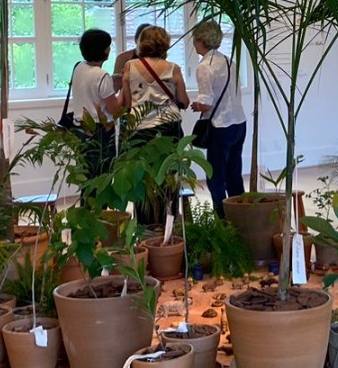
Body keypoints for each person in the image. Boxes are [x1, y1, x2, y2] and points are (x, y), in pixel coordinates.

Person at [120, 26, 188, 224]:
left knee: (142, 177)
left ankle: (145, 224)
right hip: (169, 126)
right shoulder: (173, 68)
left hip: (139, 127)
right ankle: (169, 221)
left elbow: (127, 103)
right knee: (169, 174)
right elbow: (183, 100)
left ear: (141, 43)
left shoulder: (130, 66)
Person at [190, 19, 246, 219]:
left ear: (200, 40)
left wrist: (196, 105)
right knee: (234, 174)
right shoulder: (229, 61)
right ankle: (241, 216)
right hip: (239, 122)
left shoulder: (204, 66)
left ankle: (222, 219)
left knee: (215, 176)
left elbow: (206, 103)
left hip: (220, 125)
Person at [64, 29, 121, 182]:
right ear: (104, 50)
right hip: (100, 130)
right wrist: (125, 89)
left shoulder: (79, 67)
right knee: (102, 175)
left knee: (87, 175)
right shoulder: (102, 75)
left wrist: (112, 82)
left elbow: (92, 90)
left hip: (80, 127)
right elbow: (114, 109)